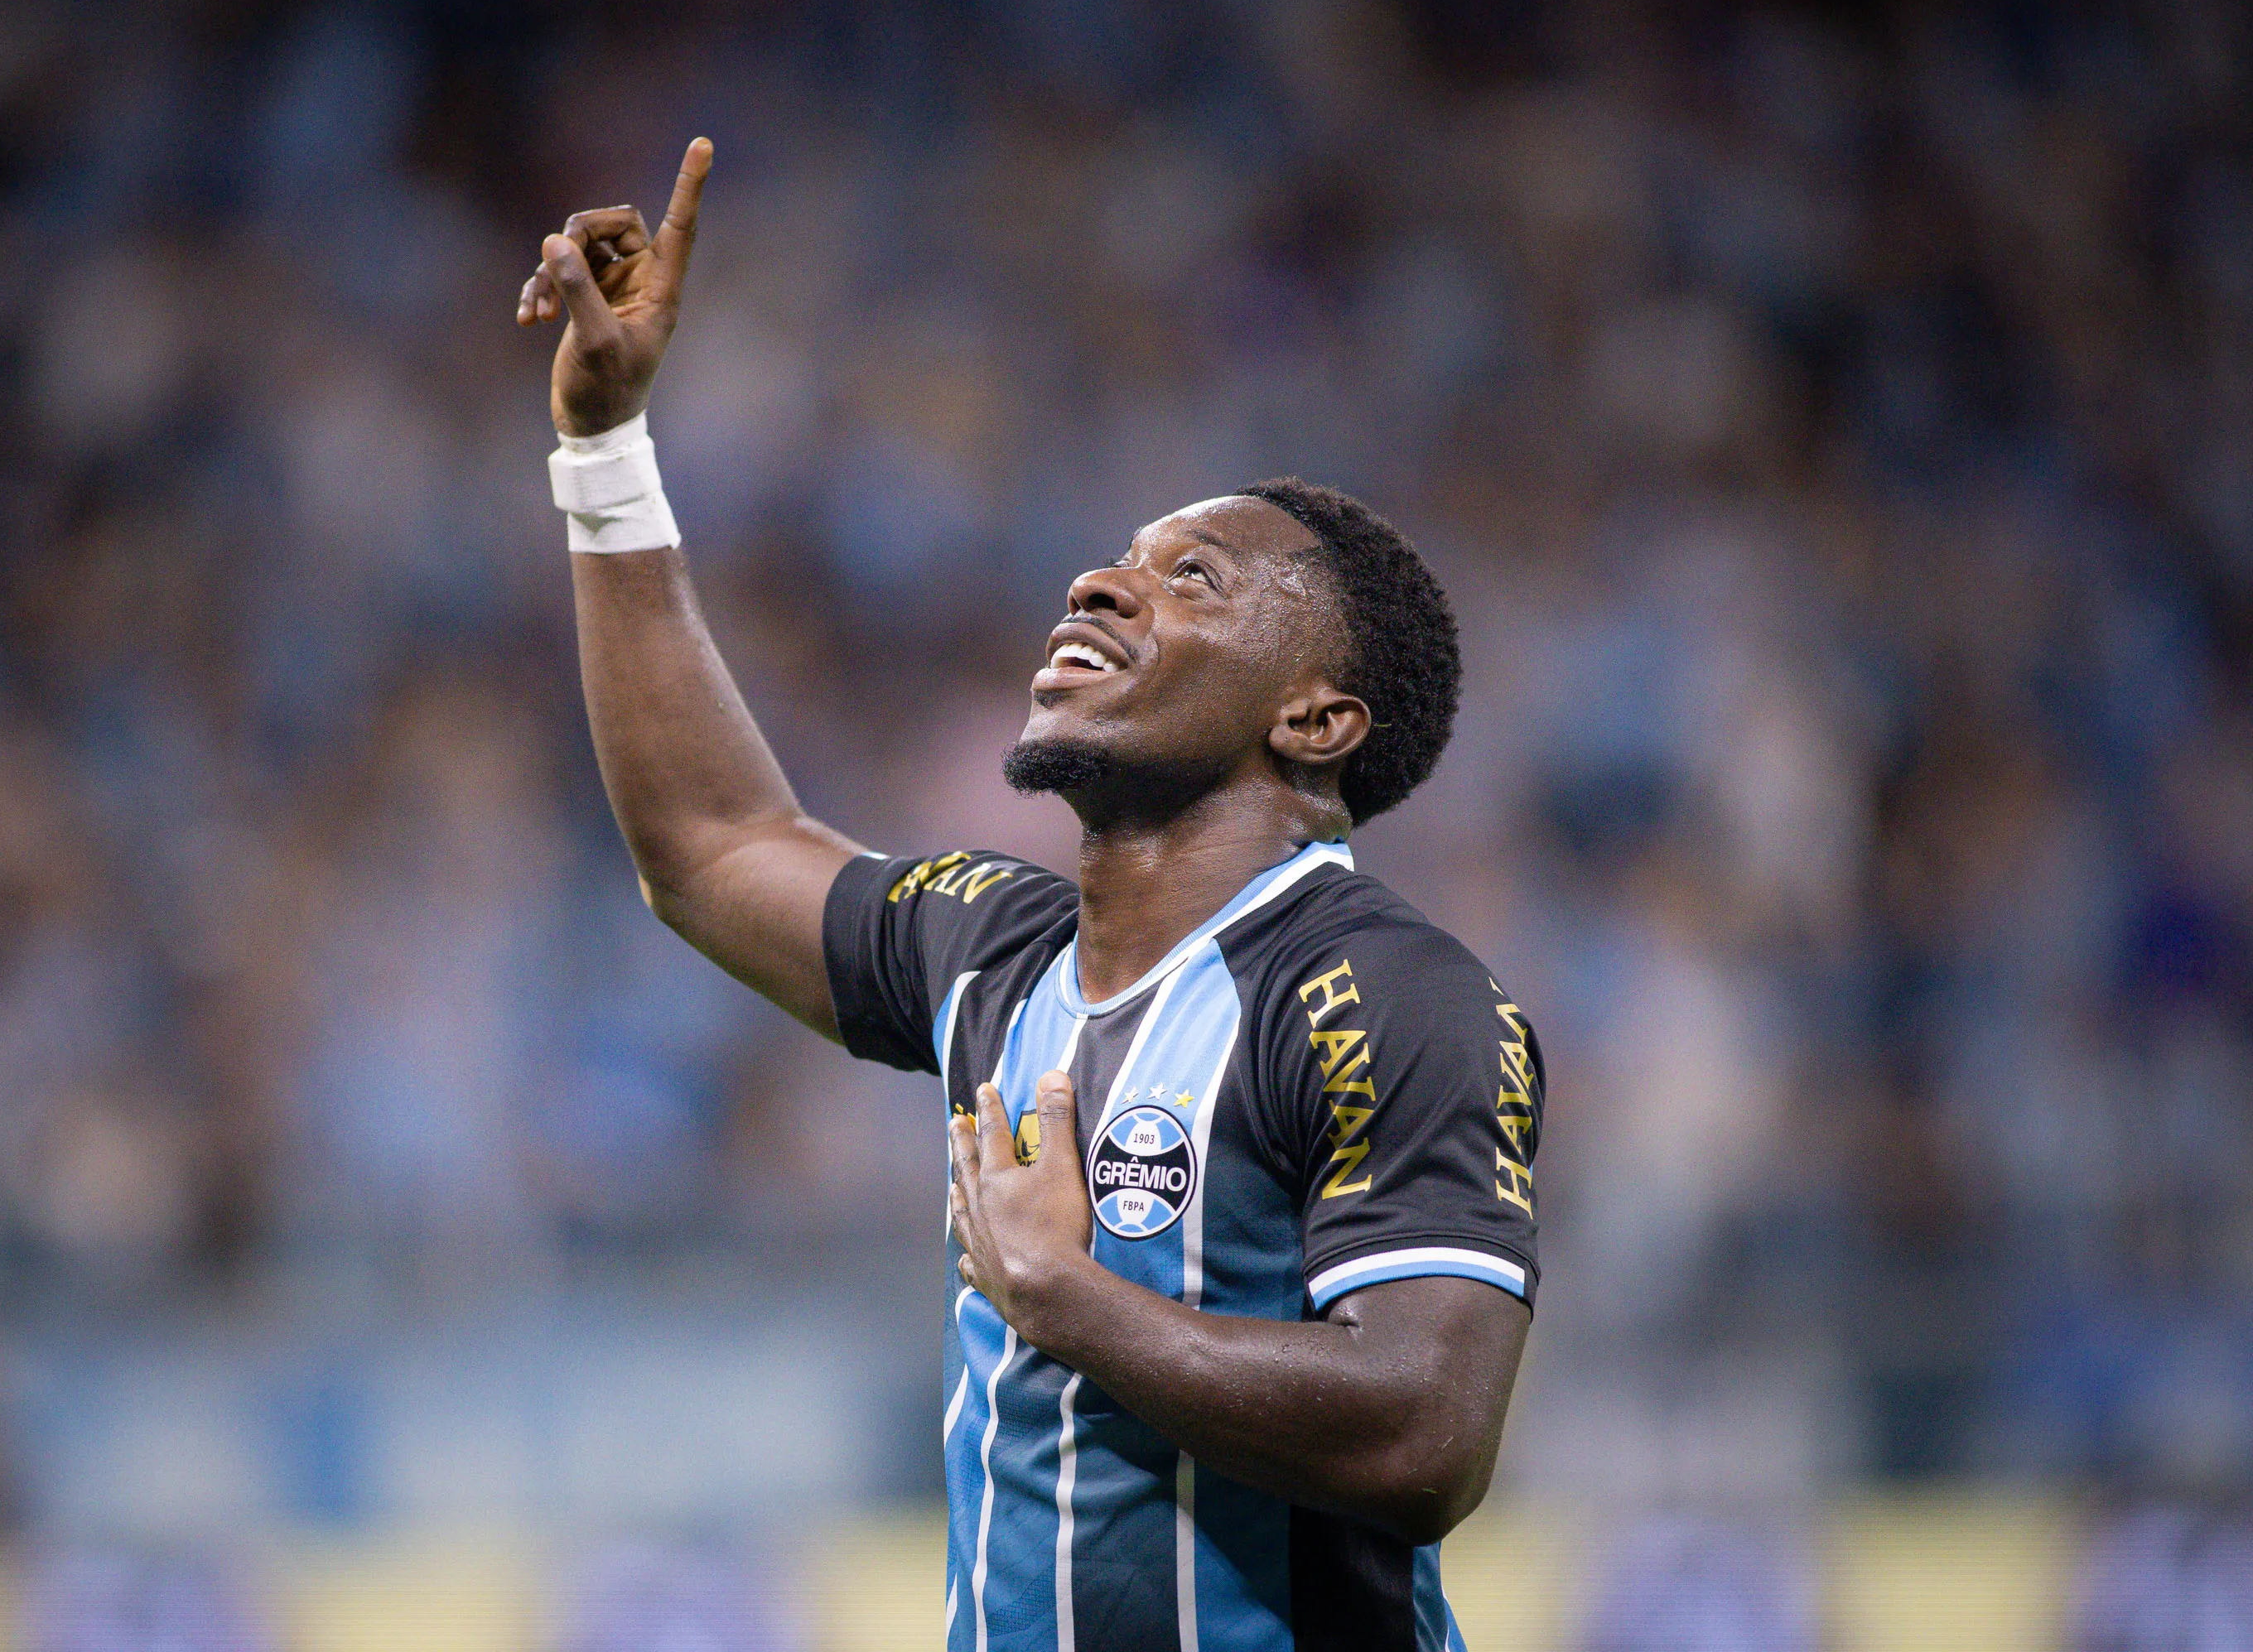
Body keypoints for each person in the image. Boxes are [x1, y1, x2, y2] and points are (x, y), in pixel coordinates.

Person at [516, 139, 1546, 1652]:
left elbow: (1426, 1435)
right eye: (1117, 560)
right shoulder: (995, 951)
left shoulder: (1388, 996)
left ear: (1318, 720)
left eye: (1193, 578)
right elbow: (715, 843)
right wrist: (604, 449)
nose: (1099, 585)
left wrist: (1068, 1299)